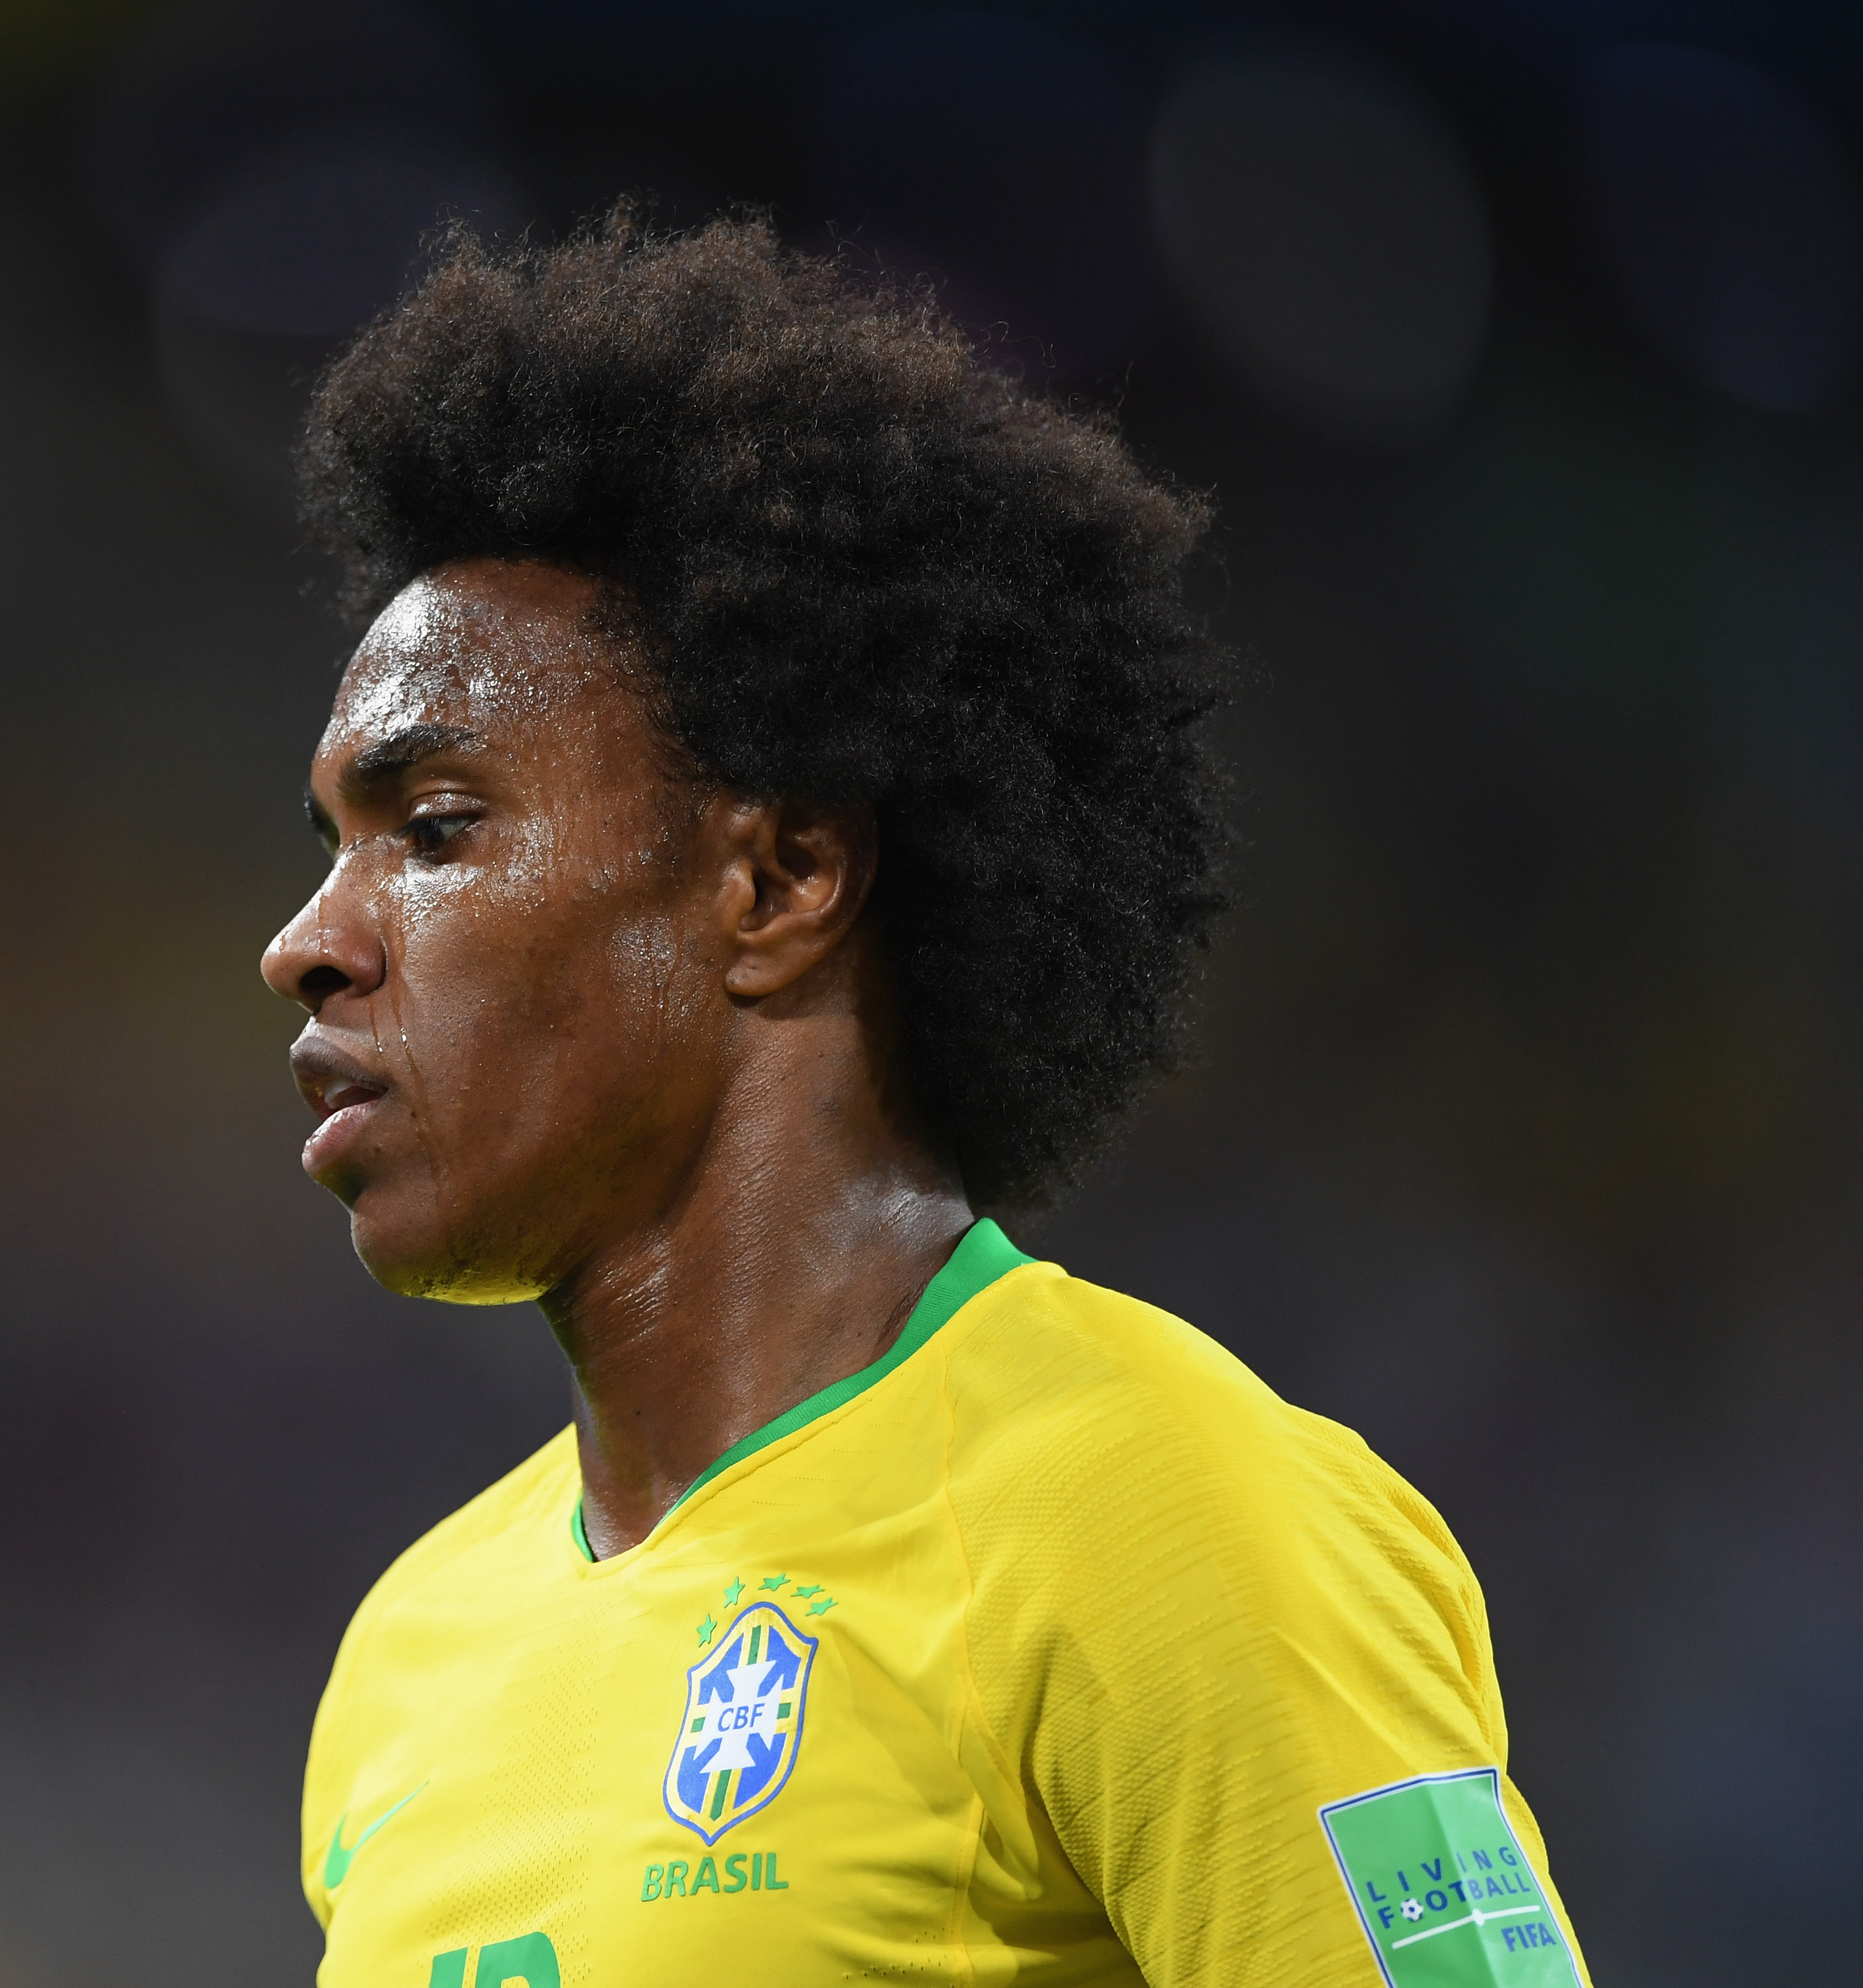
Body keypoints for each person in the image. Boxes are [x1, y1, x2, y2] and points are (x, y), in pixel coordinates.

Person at [261, 216, 1588, 1988]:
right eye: (332, 851)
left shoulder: (1158, 1514)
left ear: (783, 877)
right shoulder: (410, 1657)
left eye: (433, 831)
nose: (308, 947)